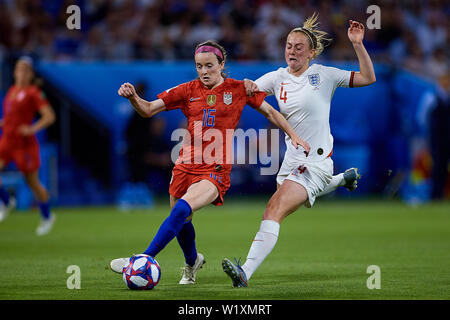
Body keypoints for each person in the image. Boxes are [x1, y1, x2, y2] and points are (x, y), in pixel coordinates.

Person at [109, 40, 310, 285]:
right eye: (199, 66)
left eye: (209, 66)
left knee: (182, 209)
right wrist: (133, 98)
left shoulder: (239, 89)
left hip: (214, 170)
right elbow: (149, 109)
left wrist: (294, 134)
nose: (204, 71)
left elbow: (270, 112)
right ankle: (192, 262)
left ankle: (142, 258)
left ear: (222, 64)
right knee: (182, 219)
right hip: (184, 166)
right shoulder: (187, 90)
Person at [222, 15, 376, 287]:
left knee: (274, 209)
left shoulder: (324, 75)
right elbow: (248, 93)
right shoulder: (277, 77)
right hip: (291, 162)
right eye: (289, 45)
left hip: (315, 162)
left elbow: (368, 77)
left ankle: (244, 271)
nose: (292, 51)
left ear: (311, 53)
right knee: (301, 200)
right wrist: (242, 85)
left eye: (298, 47)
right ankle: (343, 179)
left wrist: (357, 44)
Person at [0, 57, 56, 236]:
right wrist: (4, 122)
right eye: (19, 69)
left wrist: (32, 128)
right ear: (15, 72)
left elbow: (49, 116)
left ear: (31, 74)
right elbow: (12, 117)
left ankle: (47, 216)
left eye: (25, 70)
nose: (22, 73)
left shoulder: (33, 92)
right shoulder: (12, 91)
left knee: (32, 183)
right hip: (7, 140)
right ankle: (6, 201)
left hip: (24, 146)